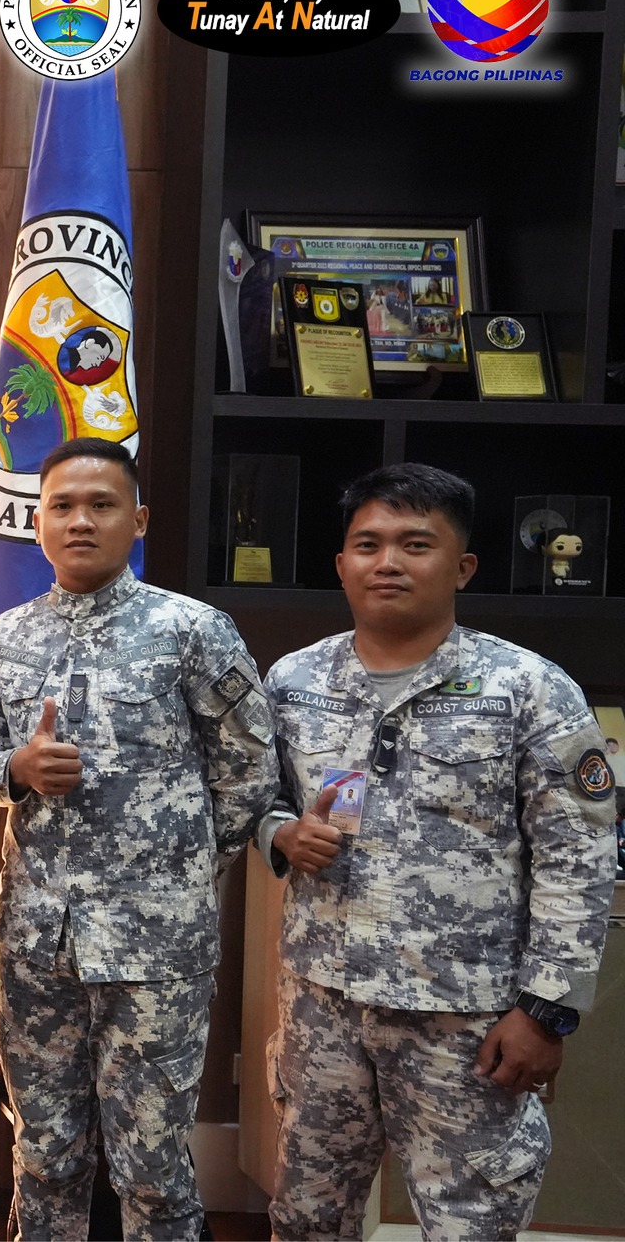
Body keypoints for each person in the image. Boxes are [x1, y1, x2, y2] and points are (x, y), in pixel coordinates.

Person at [258, 464, 616, 1240]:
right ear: (342, 565)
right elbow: (256, 801)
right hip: (322, 1006)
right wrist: (281, 834)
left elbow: (579, 858)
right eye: (369, 544)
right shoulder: (292, 682)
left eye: (415, 544)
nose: (388, 562)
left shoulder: (528, 688)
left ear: (461, 567)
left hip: (467, 1021)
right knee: (305, 1218)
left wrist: (546, 1012)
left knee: (470, 1224)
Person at [0, 436, 277, 1240]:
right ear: (38, 522)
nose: (80, 522)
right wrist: (16, 769)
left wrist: (178, 873)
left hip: (157, 949)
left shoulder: (192, 631)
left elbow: (248, 769)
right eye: (62, 506)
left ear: (136, 520)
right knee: (46, 1154)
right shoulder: (7, 637)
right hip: (38, 944)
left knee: (152, 1167)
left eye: (101, 506)